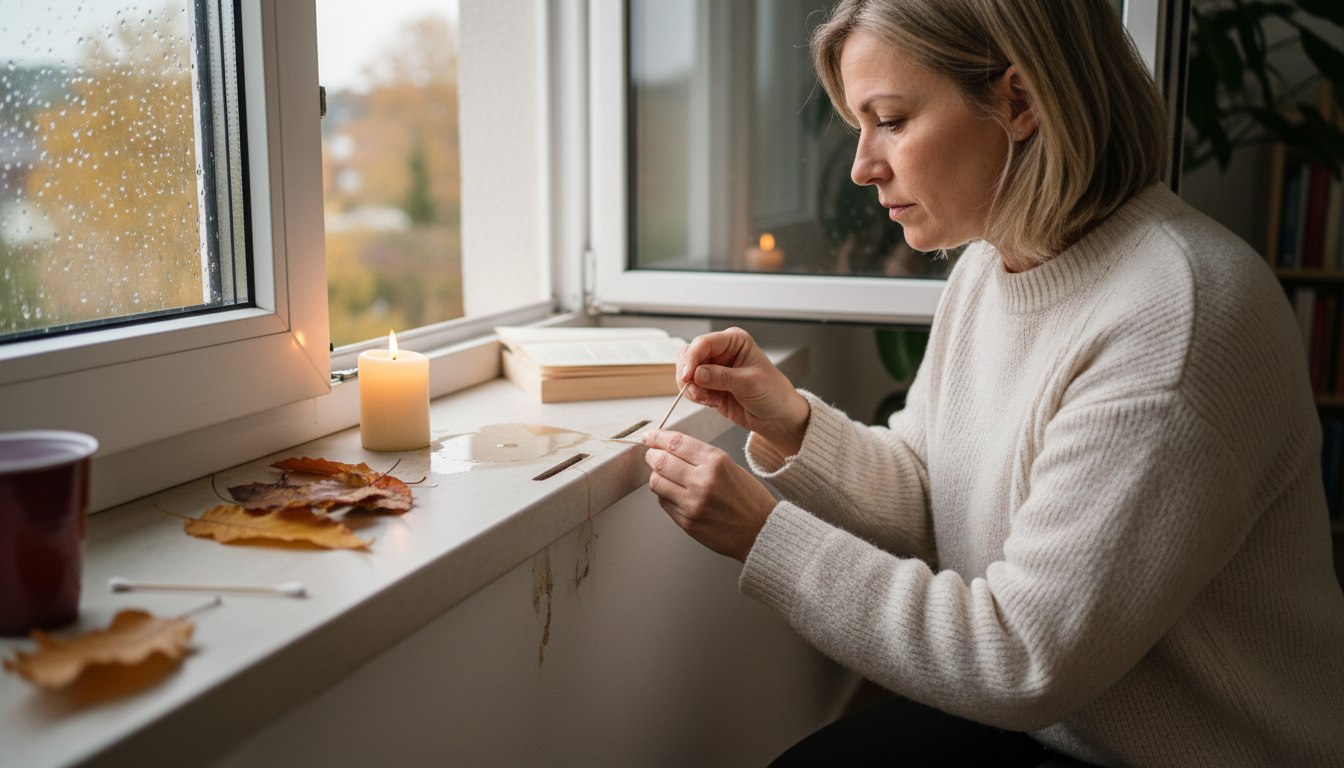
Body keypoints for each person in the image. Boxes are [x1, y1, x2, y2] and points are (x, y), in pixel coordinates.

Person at [639, 0, 1344, 765]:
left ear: (1019, 100)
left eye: (892, 120)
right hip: (1065, 724)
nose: (861, 165)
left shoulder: (1176, 322)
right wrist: (789, 421)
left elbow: (1023, 657)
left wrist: (763, 535)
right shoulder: (992, 266)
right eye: (859, 125)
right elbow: (931, 493)